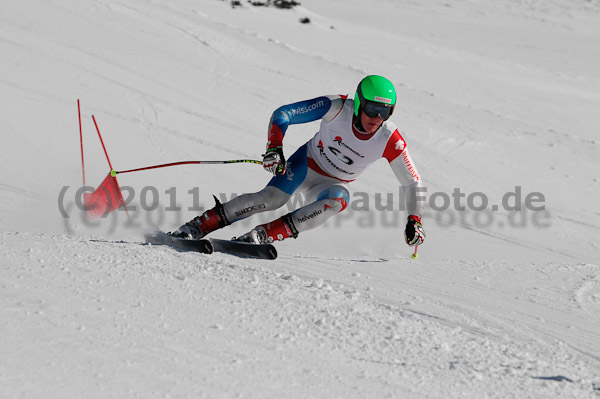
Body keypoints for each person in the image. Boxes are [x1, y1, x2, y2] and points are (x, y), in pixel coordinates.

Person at [172, 75, 425, 247]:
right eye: (371, 109)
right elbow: (284, 114)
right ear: (359, 103)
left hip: (333, 182)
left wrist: (415, 220)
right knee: (272, 199)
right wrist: (274, 147)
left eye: (385, 112)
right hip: (307, 163)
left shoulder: (389, 138)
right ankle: (199, 226)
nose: (376, 117)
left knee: (339, 201)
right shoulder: (337, 108)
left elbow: (412, 183)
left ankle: (262, 236)